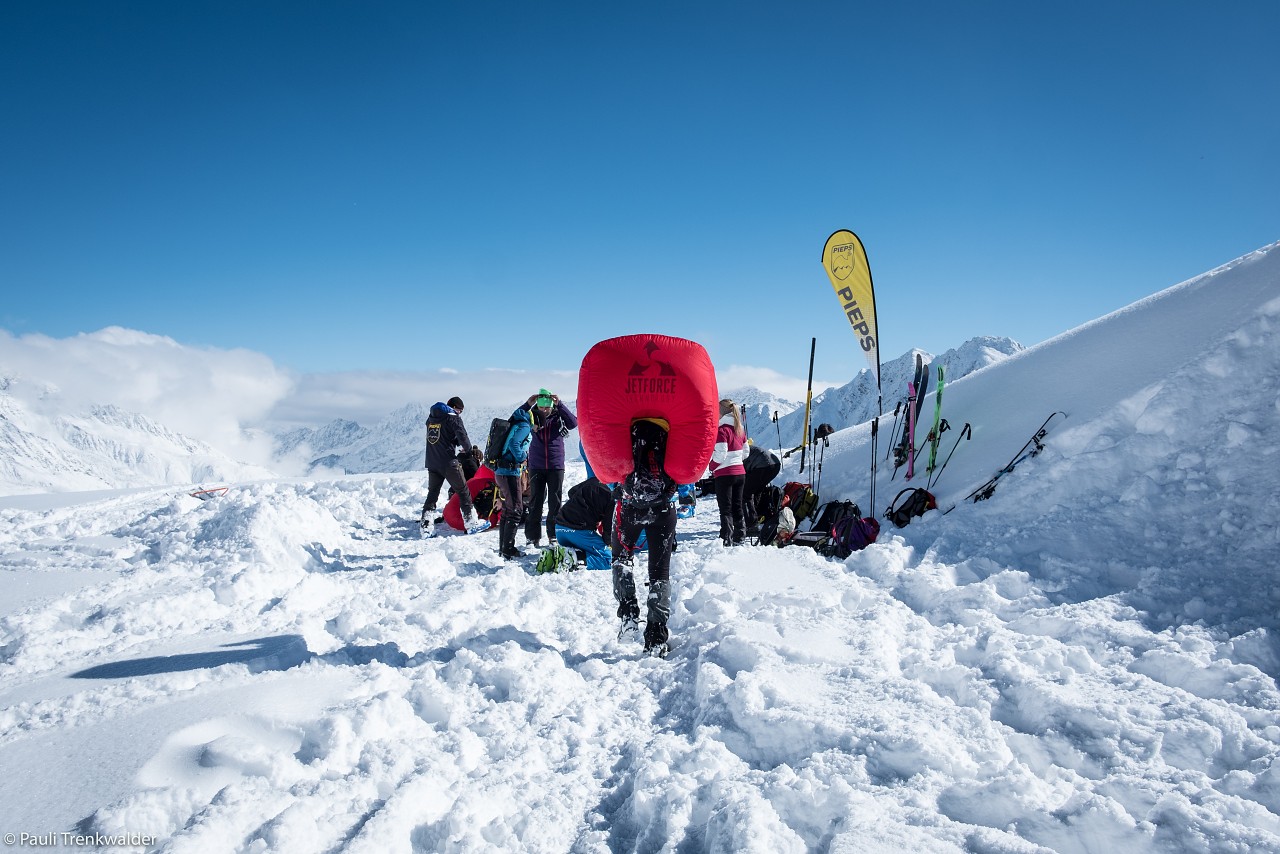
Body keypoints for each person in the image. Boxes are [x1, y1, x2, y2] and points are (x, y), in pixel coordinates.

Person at [612, 418, 679, 656]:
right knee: (659, 573)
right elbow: (684, 470)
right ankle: (655, 640)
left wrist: (619, 490)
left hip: (629, 508)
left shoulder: (625, 425)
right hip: (664, 509)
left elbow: (608, 465)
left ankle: (629, 614)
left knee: (622, 558)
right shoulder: (673, 426)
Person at [520, 388, 578, 548]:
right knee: (535, 502)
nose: (544, 409)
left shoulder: (559, 416)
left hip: (555, 465)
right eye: (541, 406)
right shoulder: (530, 416)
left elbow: (574, 423)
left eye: (547, 406)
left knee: (555, 502)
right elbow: (514, 419)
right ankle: (532, 537)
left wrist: (560, 405)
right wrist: (527, 404)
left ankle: (553, 535)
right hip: (536, 465)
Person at [421, 397, 482, 536]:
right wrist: (467, 449)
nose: (459, 414)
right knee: (463, 491)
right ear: (454, 407)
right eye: (460, 411)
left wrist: (454, 441)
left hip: (432, 462)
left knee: (432, 494)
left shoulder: (431, 418)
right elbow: (463, 437)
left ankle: (426, 527)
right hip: (448, 462)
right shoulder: (453, 418)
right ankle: (471, 523)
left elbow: (441, 437)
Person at [492, 404, 538, 560]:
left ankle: (504, 548)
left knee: (508, 509)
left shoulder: (516, 422)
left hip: (501, 472)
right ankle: (508, 549)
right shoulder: (525, 426)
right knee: (516, 510)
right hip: (509, 472)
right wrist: (522, 458)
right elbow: (514, 444)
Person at [553, 475, 614, 571]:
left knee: (587, 549)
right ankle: (574, 559)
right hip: (579, 532)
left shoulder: (595, 480)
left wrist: (586, 508)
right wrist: (609, 544)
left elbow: (571, 492)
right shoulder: (613, 497)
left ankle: (554, 556)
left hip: (559, 529)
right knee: (609, 559)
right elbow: (608, 530)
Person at [708, 398, 748, 546]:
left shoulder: (722, 430)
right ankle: (740, 535)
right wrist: (737, 460)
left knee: (725, 507)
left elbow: (721, 453)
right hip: (740, 473)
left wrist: (712, 466)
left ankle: (727, 537)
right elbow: (746, 452)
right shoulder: (740, 429)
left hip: (725, 474)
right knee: (737, 505)